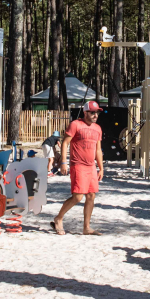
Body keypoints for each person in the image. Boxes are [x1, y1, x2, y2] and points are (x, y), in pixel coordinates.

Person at [50, 101, 104, 235]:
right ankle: (59, 218)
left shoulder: (97, 128)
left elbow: (98, 150)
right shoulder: (75, 124)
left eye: (97, 112)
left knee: (91, 195)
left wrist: (101, 168)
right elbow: (65, 143)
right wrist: (63, 162)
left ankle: (86, 228)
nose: (95, 115)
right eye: (92, 112)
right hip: (78, 165)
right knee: (78, 197)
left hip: (91, 166)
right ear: (85, 112)